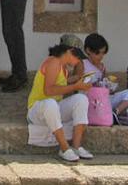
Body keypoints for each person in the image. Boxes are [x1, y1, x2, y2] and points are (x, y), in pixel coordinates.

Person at [26, 33, 94, 162]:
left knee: (81, 99)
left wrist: (78, 81)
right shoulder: (53, 62)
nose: (78, 60)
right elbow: (49, 90)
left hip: (53, 109)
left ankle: (76, 146)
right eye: (77, 56)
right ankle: (64, 148)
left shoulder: (63, 67)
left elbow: (62, 83)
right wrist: (75, 86)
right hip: (37, 110)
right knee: (51, 103)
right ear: (69, 51)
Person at [81, 33, 128, 117]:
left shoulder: (102, 67)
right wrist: (93, 85)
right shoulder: (82, 64)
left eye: (103, 53)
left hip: (103, 100)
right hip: (89, 100)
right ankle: (119, 113)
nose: (101, 56)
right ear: (88, 50)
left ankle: (115, 113)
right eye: (98, 53)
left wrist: (109, 87)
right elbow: (77, 86)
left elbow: (102, 84)